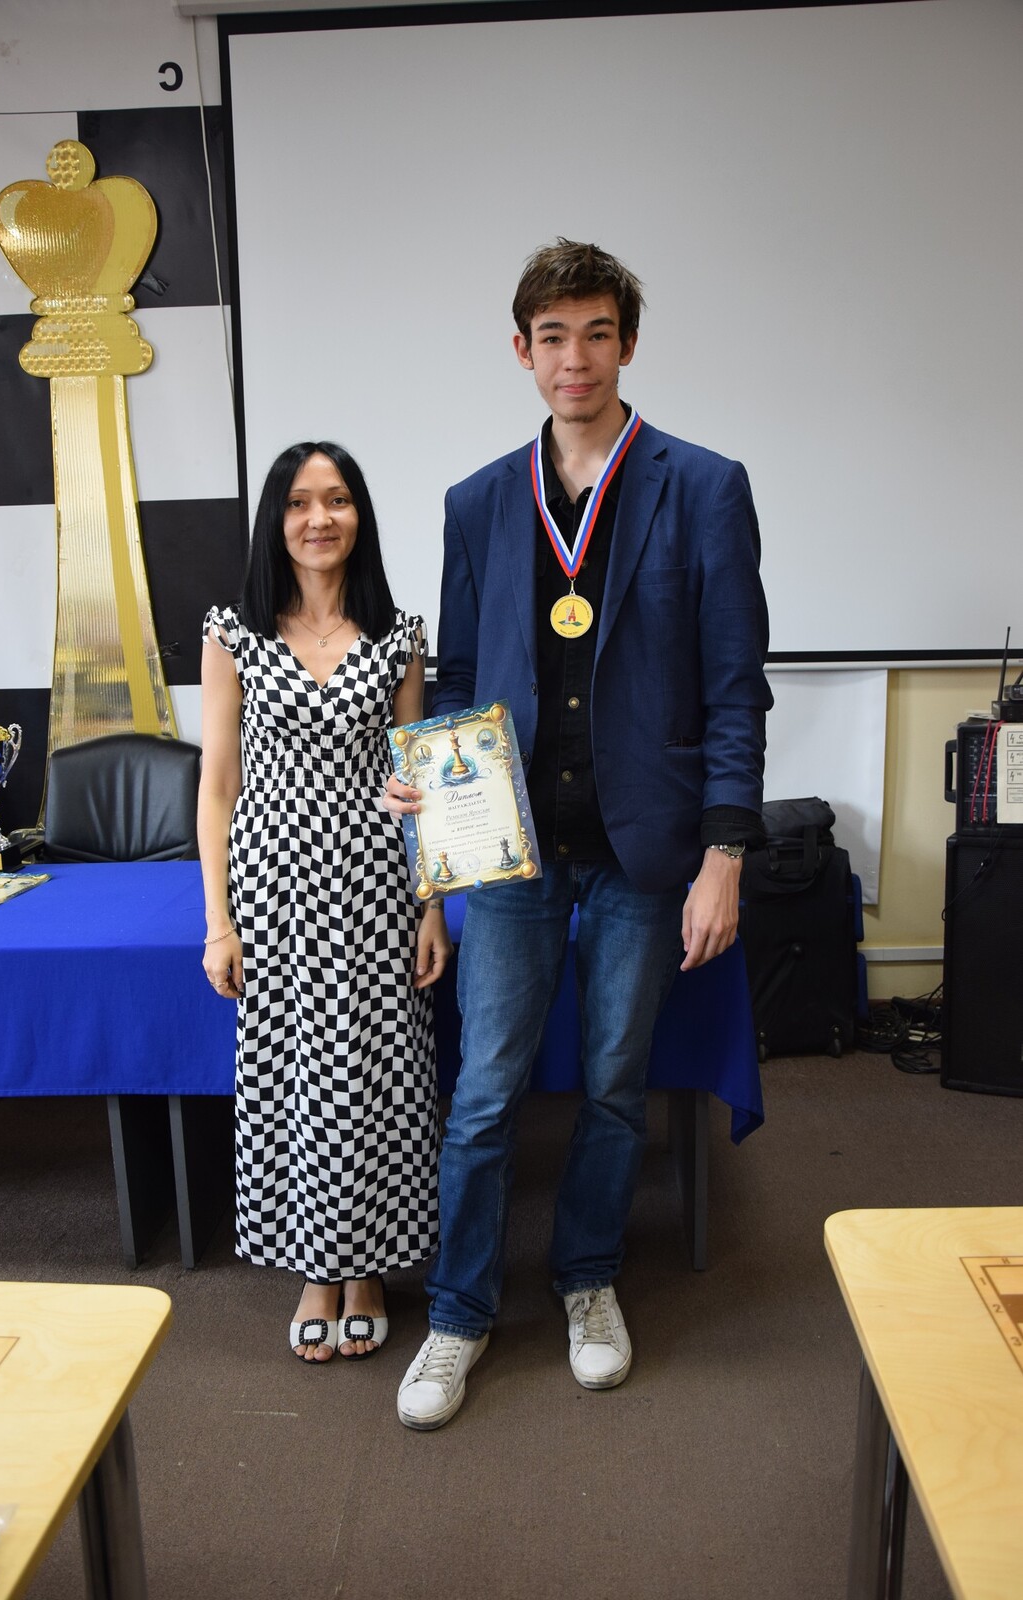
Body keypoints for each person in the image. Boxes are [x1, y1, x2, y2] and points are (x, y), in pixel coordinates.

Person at [388, 239, 773, 1429]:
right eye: (551, 336)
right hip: (508, 850)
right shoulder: (475, 503)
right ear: (521, 350)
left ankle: (586, 1278)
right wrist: (432, 807)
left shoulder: (700, 487)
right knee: (484, 1091)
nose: (574, 358)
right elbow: (459, 680)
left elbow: (733, 690)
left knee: (612, 1086)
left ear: (626, 344)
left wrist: (724, 853)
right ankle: (458, 1311)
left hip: (641, 854)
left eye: (596, 333)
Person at [198, 440, 452, 1364]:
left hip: (375, 886)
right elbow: (217, 785)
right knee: (297, 1083)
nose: (319, 518)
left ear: (359, 516)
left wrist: (432, 907)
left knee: (375, 1077)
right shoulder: (232, 631)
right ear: (277, 518)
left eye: (337, 499)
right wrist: (218, 924)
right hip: (273, 889)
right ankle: (318, 1268)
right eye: (300, 501)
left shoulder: (398, 634)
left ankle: (368, 1265)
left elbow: (418, 779)